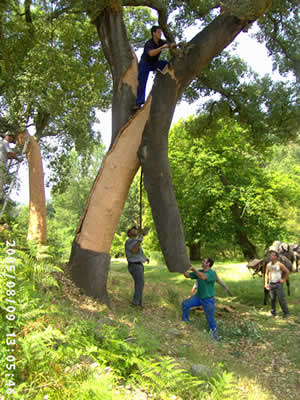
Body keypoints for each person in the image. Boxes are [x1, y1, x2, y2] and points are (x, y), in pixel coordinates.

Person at [135, 26, 175, 109]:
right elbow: (151, 53)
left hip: (154, 63)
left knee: (166, 64)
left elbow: (169, 44)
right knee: (142, 82)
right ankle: (139, 103)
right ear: (154, 33)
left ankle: (165, 82)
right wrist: (161, 48)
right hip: (144, 64)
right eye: (158, 32)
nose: (160, 34)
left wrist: (172, 45)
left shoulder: (161, 41)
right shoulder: (149, 43)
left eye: (161, 32)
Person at [182, 258, 218, 340]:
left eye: (204, 261)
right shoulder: (200, 271)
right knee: (185, 304)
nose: (202, 262)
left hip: (208, 300)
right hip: (198, 297)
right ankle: (185, 322)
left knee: (210, 319)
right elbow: (187, 275)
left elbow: (203, 277)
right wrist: (182, 269)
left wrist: (193, 269)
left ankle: (214, 338)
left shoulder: (212, 273)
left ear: (208, 264)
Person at [125, 226, 149, 307]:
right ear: (129, 233)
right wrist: (139, 240)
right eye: (133, 229)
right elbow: (134, 251)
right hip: (134, 265)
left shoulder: (135, 241)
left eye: (135, 229)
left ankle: (139, 303)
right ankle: (135, 303)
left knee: (140, 284)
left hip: (139, 265)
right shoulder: (129, 241)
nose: (135, 230)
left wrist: (145, 258)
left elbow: (138, 253)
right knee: (140, 284)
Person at [264, 247, 290, 317]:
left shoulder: (280, 265)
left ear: (276, 257)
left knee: (281, 299)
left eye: (272, 255)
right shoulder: (268, 265)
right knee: (272, 299)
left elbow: (287, 272)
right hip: (271, 284)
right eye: (270, 255)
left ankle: (286, 313)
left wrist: (283, 280)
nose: (271, 256)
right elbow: (266, 274)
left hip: (278, 284)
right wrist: (266, 283)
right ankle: (273, 312)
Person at [0, 133, 20, 203]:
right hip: (1, 164)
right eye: (10, 136)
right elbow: (10, 154)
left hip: (2, 163)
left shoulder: (1, 143)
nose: (11, 138)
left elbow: (8, 155)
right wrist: (18, 159)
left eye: (12, 137)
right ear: (6, 136)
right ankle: (0, 197)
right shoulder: (5, 143)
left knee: (2, 179)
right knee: (1, 179)